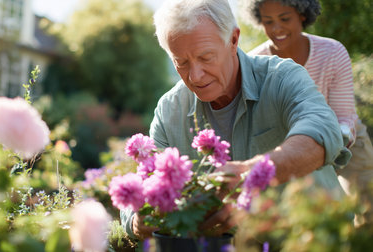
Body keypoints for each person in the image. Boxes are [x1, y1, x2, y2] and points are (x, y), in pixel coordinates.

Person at [121, 0, 351, 240]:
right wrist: (135, 220)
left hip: (315, 238)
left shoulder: (283, 77)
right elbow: (143, 185)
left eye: (206, 57)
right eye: (181, 62)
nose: (195, 75)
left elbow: (324, 132)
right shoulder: (170, 110)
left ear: (233, 40)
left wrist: (252, 174)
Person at [245, 0, 373, 224]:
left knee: (368, 202)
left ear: (302, 15)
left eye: (285, 19)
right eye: (268, 22)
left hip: (345, 135)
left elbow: (344, 116)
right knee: (314, 216)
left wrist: (326, 145)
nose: (276, 29)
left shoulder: (332, 52)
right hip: (293, 142)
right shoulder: (255, 63)